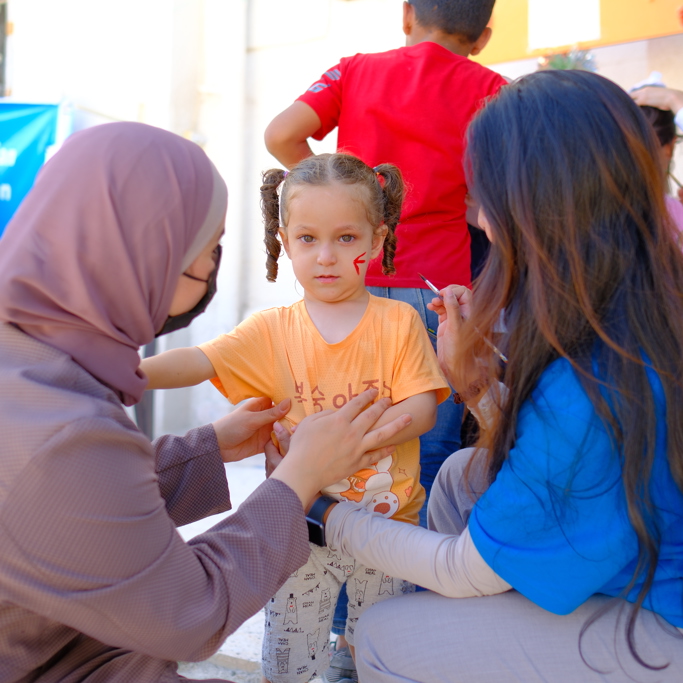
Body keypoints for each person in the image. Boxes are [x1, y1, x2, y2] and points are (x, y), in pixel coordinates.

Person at [278, 71, 683, 681]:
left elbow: (462, 567)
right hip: (640, 567)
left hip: (663, 625)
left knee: (385, 633)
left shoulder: (591, 381)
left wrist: (315, 506)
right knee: (465, 474)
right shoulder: (639, 306)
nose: (483, 225)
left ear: (536, 206)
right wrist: (474, 389)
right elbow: (555, 471)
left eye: (484, 198)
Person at [0, 123, 411, 682]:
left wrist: (208, 448)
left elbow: (82, 507)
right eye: (207, 251)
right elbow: (188, 612)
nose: (214, 269)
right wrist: (297, 479)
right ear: (145, 258)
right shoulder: (61, 431)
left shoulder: (33, 366)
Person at [141, 152, 450, 683]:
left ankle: (350, 660)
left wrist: (356, 440)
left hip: (390, 526)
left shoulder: (399, 321)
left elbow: (424, 407)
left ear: (377, 241)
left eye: (346, 239)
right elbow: (197, 361)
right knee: (288, 656)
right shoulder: (269, 330)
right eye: (308, 239)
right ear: (285, 243)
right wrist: (122, 371)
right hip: (298, 527)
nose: (326, 256)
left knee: (376, 649)